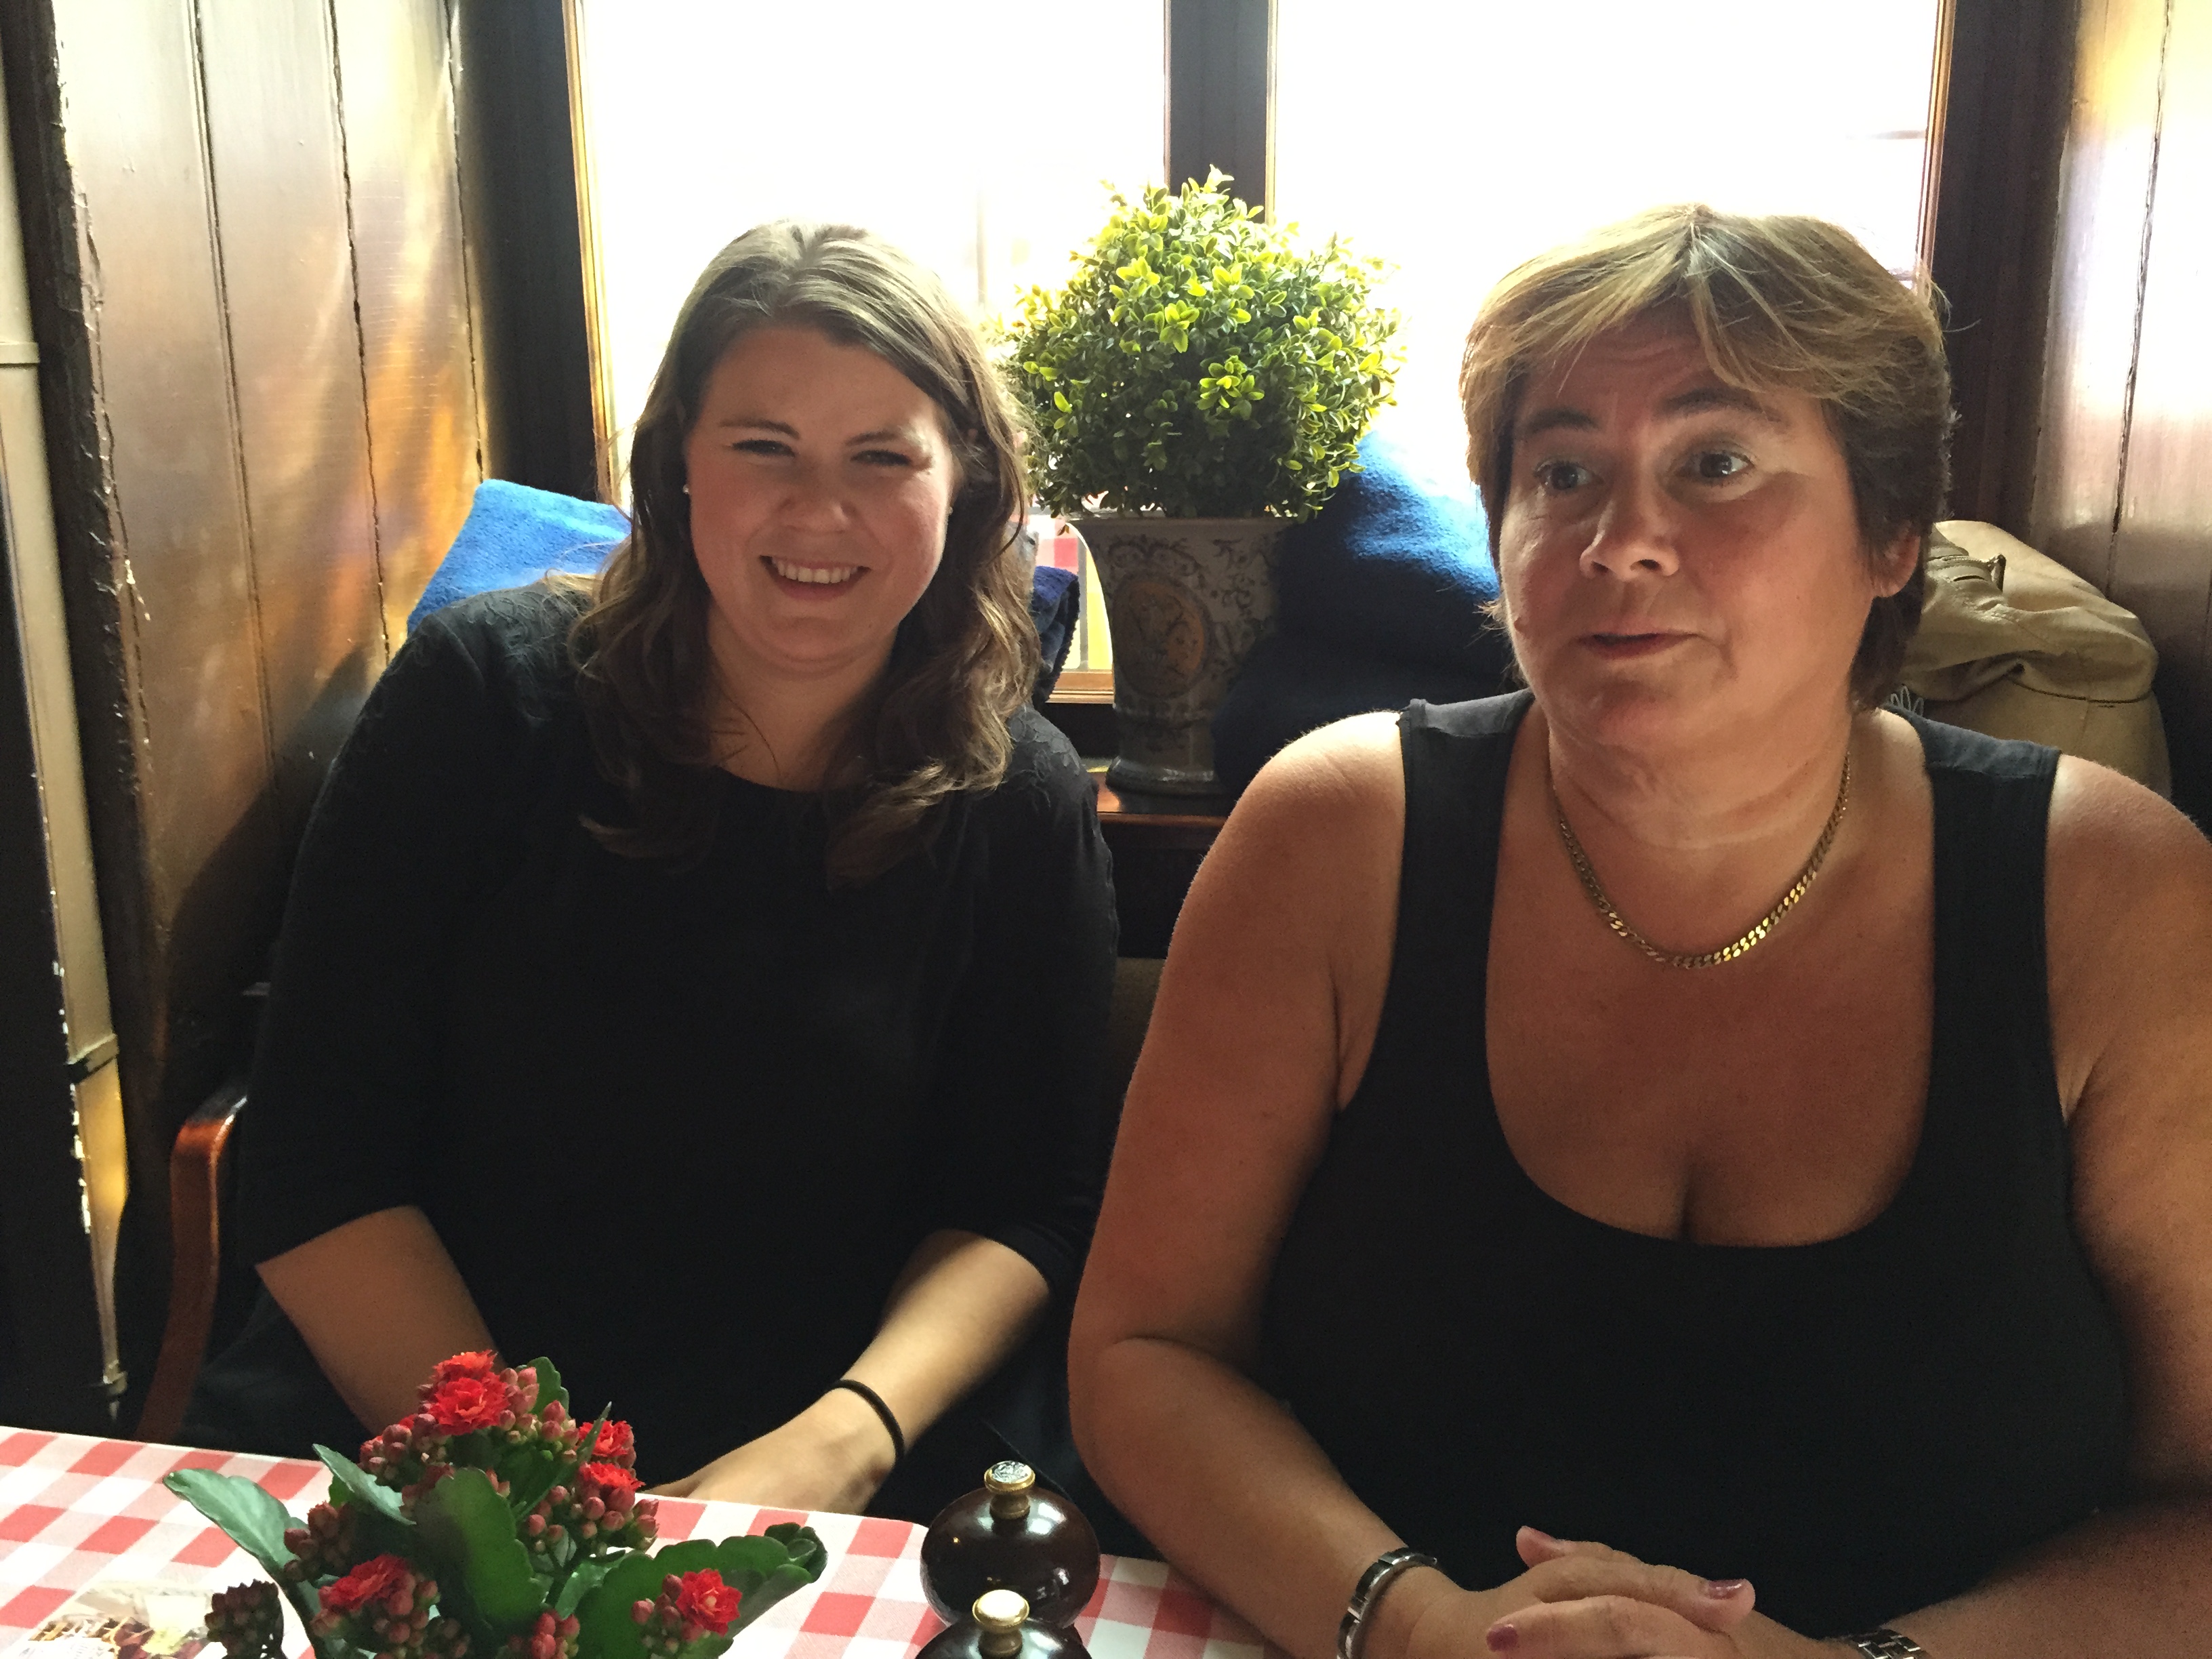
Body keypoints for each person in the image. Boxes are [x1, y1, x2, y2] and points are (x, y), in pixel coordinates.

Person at [1069, 205, 2212, 1656]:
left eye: (1716, 463)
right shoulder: (1336, 837)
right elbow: (1146, 1350)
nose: (1621, 544)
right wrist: (1417, 1628)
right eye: (1562, 473)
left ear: (1889, 537)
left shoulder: (2113, 898)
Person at [188, 222, 1120, 1519]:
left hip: (833, 1465)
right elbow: (317, 1160)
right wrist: (527, 1483)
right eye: (763, 447)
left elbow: (1025, 1206)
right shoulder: (482, 698)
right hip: (420, 1432)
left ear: (963, 482)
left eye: (882, 456)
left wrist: (842, 1444)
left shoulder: (1021, 797)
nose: (820, 512)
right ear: (678, 464)